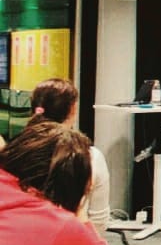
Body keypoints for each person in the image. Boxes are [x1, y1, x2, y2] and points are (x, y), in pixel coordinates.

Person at [30, 77, 110, 236]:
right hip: (72, 243)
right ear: (73, 109)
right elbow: (98, 223)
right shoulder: (90, 157)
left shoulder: (13, 152)